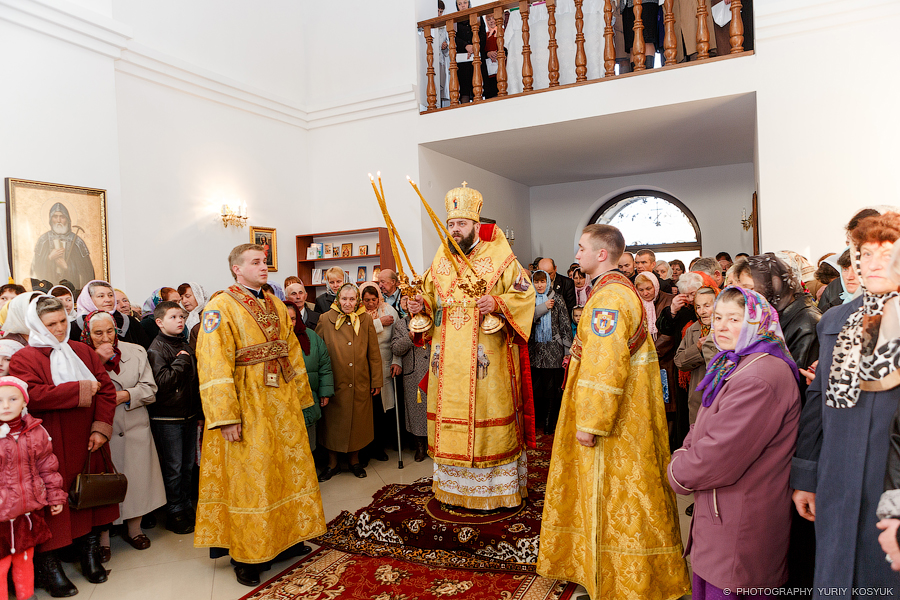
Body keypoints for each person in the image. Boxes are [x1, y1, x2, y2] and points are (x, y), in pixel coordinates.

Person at [537, 224, 690, 600]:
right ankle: (618, 574)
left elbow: (605, 365)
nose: (576, 255)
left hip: (613, 423)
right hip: (627, 414)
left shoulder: (608, 299)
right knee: (627, 495)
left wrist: (590, 423)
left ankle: (618, 580)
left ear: (601, 254)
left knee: (615, 497)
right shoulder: (616, 290)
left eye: (581, 248)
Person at [194, 244, 326, 586]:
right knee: (250, 478)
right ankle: (246, 555)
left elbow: (291, 350)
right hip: (246, 403)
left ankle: (287, 538)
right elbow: (212, 363)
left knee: (283, 470)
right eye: (255, 262)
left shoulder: (275, 303)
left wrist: (301, 399)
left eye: (264, 261)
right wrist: (225, 416)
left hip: (280, 403)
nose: (263, 267)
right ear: (237, 269)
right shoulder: (220, 306)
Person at [407, 183, 535, 510]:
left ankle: (495, 491)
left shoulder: (500, 256)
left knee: (487, 415)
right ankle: (453, 489)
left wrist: (498, 302)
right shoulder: (441, 256)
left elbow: (525, 294)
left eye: (461, 224)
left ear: (476, 225)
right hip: (447, 357)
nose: (455, 229)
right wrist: (419, 304)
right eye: (451, 224)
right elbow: (429, 296)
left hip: (486, 356)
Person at [791, 212, 900, 598]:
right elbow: (818, 400)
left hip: (887, 483)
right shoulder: (836, 320)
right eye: (865, 254)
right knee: (836, 578)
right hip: (837, 478)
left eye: (886, 255)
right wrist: (806, 475)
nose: (873, 264)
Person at [669, 286, 801, 599]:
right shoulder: (739, 362)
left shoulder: (759, 376)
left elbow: (717, 456)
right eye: (717, 317)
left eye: (735, 319)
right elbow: (701, 425)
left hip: (739, 522)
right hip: (722, 516)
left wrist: (677, 467)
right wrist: (688, 449)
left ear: (758, 322)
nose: (721, 326)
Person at [11, 295, 117, 596]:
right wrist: (79, 389)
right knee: (53, 504)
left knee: (87, 497)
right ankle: (51, 567)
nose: (59, 329)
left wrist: (101, 429)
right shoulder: (24, 358)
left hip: (88, 439)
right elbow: (32, 395)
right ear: (36, 324)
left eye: (62, 321)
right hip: (49, 444)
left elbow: (106, 391)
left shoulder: (82, 350)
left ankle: (90, 555)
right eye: (50, 324)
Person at [81, 311, 166, 555]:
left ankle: (135, 529)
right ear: (88, 334)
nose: (105, 337)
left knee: (137, 479)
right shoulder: (80, 357)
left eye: (110, 331)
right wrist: (97, 360)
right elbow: (81, 390)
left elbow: (150, 388)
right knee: (105, 484)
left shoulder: (136, 351)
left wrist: (125, 395)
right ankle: (103, 539)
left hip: (134, 424)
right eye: (98, 333)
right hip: (102, 429)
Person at [0, 376, 66, 600]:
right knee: (1, 564)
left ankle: (26, 596)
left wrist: (55, 496)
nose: (6, 405)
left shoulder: (36, 432)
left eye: (13, 399)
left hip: (27, 511)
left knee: (25, 558)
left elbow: (48, 467)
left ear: (24, 402)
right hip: (1, 515)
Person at [316, 284, 382, 480]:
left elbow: (374, 353)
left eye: (352, 299)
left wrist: (376, 380)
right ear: (338, 299)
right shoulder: (325, 319)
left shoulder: (365, 319)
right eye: (344, 299)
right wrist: (322, 384)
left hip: (359, 382)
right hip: (335, 383)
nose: (347, 303)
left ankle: (354, 461)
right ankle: (332, 464)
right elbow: (319, 353)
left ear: (357, 301)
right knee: (332, 426)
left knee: (358, 425)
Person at [147, 301, 200, 536]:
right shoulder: (156, 349)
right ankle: (174, 511)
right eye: (173, 317)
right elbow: (162, 383)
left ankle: (186, 506)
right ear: (159, 322)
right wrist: (181, 360)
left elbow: (194, 382)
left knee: (187, 466)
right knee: (174, 468)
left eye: (182, 317)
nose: (180, 321)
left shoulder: (183, 344)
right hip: (167, 417)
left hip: (187, 414)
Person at [746, 253, 821, 399]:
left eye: (751, 288)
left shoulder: (807, 322)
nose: (746, 295)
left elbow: (797, 381)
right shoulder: (773, 315)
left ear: (772, 284)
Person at [359, 282, 401, 462]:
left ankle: (380, 447)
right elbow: (358, 333)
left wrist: (397, 360)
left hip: (385, 363)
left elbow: (397, 337)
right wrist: (378, 323)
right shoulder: (358, 313)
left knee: (384, 409)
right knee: (367, 410)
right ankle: (366, 449)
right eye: (366, 300)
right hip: (364, 365)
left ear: (379, 298)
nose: (370, 304)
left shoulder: (389, 311)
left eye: (373, 300)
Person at [284, 301, 332, 453]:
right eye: (286, 319)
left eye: (293, 319)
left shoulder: (311, 337)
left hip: (309, 398)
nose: (290, 323)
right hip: (285, 402)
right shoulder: (273, 341)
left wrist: (325, 392)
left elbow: (324, 365)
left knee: (309, 444)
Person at [529, 270, 572, 434]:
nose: (540, 285)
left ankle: (549, 422)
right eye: (537, 281)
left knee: (551, 388)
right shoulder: (529, 299)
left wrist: (567, 350)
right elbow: (525, 320)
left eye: (543, 281)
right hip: (535, 350)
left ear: (548, 282)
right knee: (536, 387)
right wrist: (542, 307)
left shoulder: (557, 298)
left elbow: (565, 324)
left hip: (553, 349)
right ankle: (537, 421)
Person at [391, 301, 430, 462]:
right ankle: (420, 446)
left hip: (434, 370)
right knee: (417, 412)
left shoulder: (434, 320)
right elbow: (395, 348)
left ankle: (436, 445)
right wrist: (409, 337)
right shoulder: (402, 324)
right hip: (414, 374)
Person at [673, 286, 718, 424]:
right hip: (697, 399)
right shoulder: (693, 329)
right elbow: (679, 362)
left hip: (720, 396)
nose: (701, 311)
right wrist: (697, 349)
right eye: (698, 307)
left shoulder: (726, 328)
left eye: (707, 306)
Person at [30, 203, 95, 289]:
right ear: (50, 219)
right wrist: (49, 258)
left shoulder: (77, 242)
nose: (58, 220)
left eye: (62, 217)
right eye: (55, 217)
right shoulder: (43, 240)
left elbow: (87, 273)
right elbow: (35, 268)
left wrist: (67, 267)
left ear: (67, 219)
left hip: (72, 290)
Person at [76, 280, 151, 349]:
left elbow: (144, 349)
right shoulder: (77, 325)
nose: (108, 300)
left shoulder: (129, 321)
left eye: (110, 295)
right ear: (88, 300)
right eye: (101, 296)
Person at [178, 282, 209, 349]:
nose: (184, 301)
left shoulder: (209, 315)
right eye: (181, 298)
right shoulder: (181, 317)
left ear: (198, 296)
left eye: (187, 296)